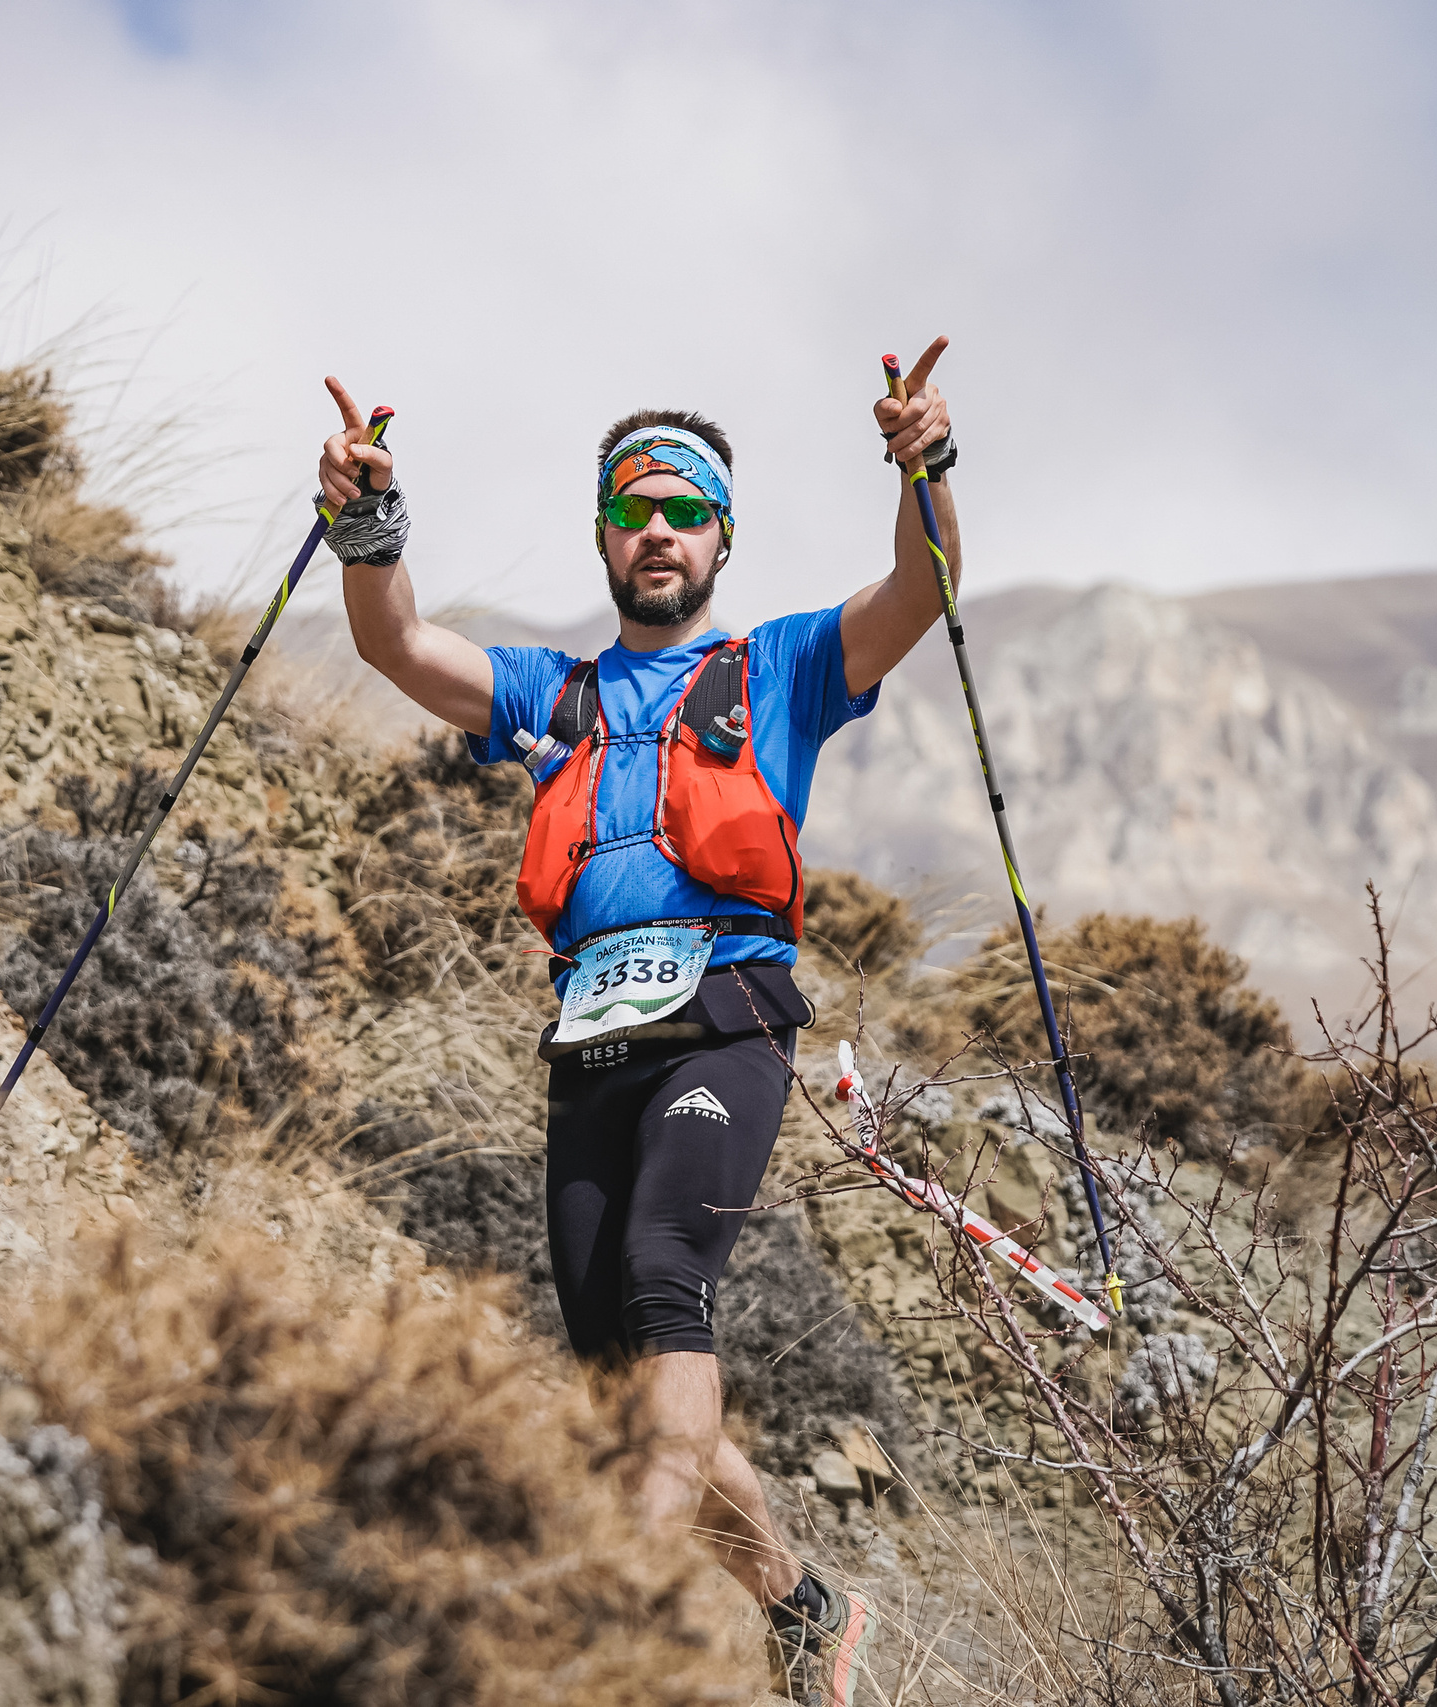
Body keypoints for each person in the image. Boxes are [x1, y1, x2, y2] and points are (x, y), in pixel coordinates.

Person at [317, 343, 959, 1707]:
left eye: (682, 509)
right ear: (605, 535)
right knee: (618, 1378)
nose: (655, 530)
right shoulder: (556, 694)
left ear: (723, 534)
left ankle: (596, 1594)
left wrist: (925, 468)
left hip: (726, 1012)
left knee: (670, 1279)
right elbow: (394, 643)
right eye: (631, 510)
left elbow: (922, 588)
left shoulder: (777, 669)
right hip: (592, 1036)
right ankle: (805, 1608)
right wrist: (367, 526)